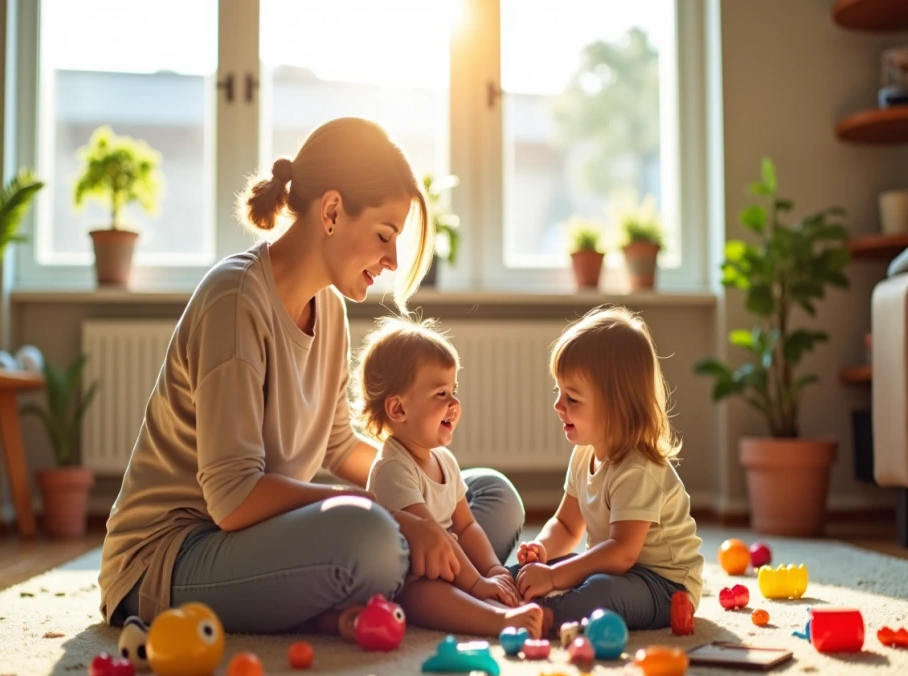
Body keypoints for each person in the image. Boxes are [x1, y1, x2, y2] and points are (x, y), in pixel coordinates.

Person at [97, 118, 525, 637]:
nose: (392, 260)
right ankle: (412, 583)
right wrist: (391, 514)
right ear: (332, 211)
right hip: (173, 555)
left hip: (256, 539)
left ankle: (408, 584)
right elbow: (232, 499)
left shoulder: (330, 309)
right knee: (373, 536)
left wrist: (425, 483)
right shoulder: (234, 301)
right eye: (384, 236)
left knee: (491, 495)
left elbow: (338, 446)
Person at [511, 306, 703, 635]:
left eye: (572, 398)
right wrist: (542, 552)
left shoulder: (638, 468)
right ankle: (508, 593)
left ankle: (549, 616)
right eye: (559, 392)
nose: (558, 405)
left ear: (617, 407)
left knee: (600, 591)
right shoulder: (583, 454)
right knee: (525, 573)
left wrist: (554, 578)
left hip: (665, 586)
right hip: (616, 569)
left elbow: (622, 552)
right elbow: (566, 525)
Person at [357, 316, 546, 638]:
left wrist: (493, 569)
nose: (455, 403)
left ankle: (484, 596)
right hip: (409, 577)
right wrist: (476, 583)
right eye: (441, 393)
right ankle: (497, 620)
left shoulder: (444, 460)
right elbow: (432, 535)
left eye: (454, 390)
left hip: (445, 562)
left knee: (470, 571)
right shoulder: (392, 468)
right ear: (399, 409)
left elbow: (466, 525)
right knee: (423, 592)